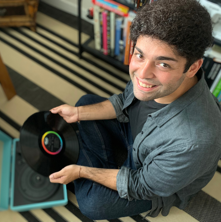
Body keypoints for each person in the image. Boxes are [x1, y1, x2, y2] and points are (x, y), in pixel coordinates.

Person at [49, 0, 221, 220]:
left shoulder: (194, 142)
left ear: (193, 67)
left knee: (92, 205)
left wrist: (81, 171)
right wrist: (77, 114)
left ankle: (94, 164)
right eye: (140, 55)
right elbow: (123, 103)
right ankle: (105, 166)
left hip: (150, 175)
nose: (142, 73)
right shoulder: (149, 78)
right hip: (136, 138)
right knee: (83, 105)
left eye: (163, 64)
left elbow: (142, 185)